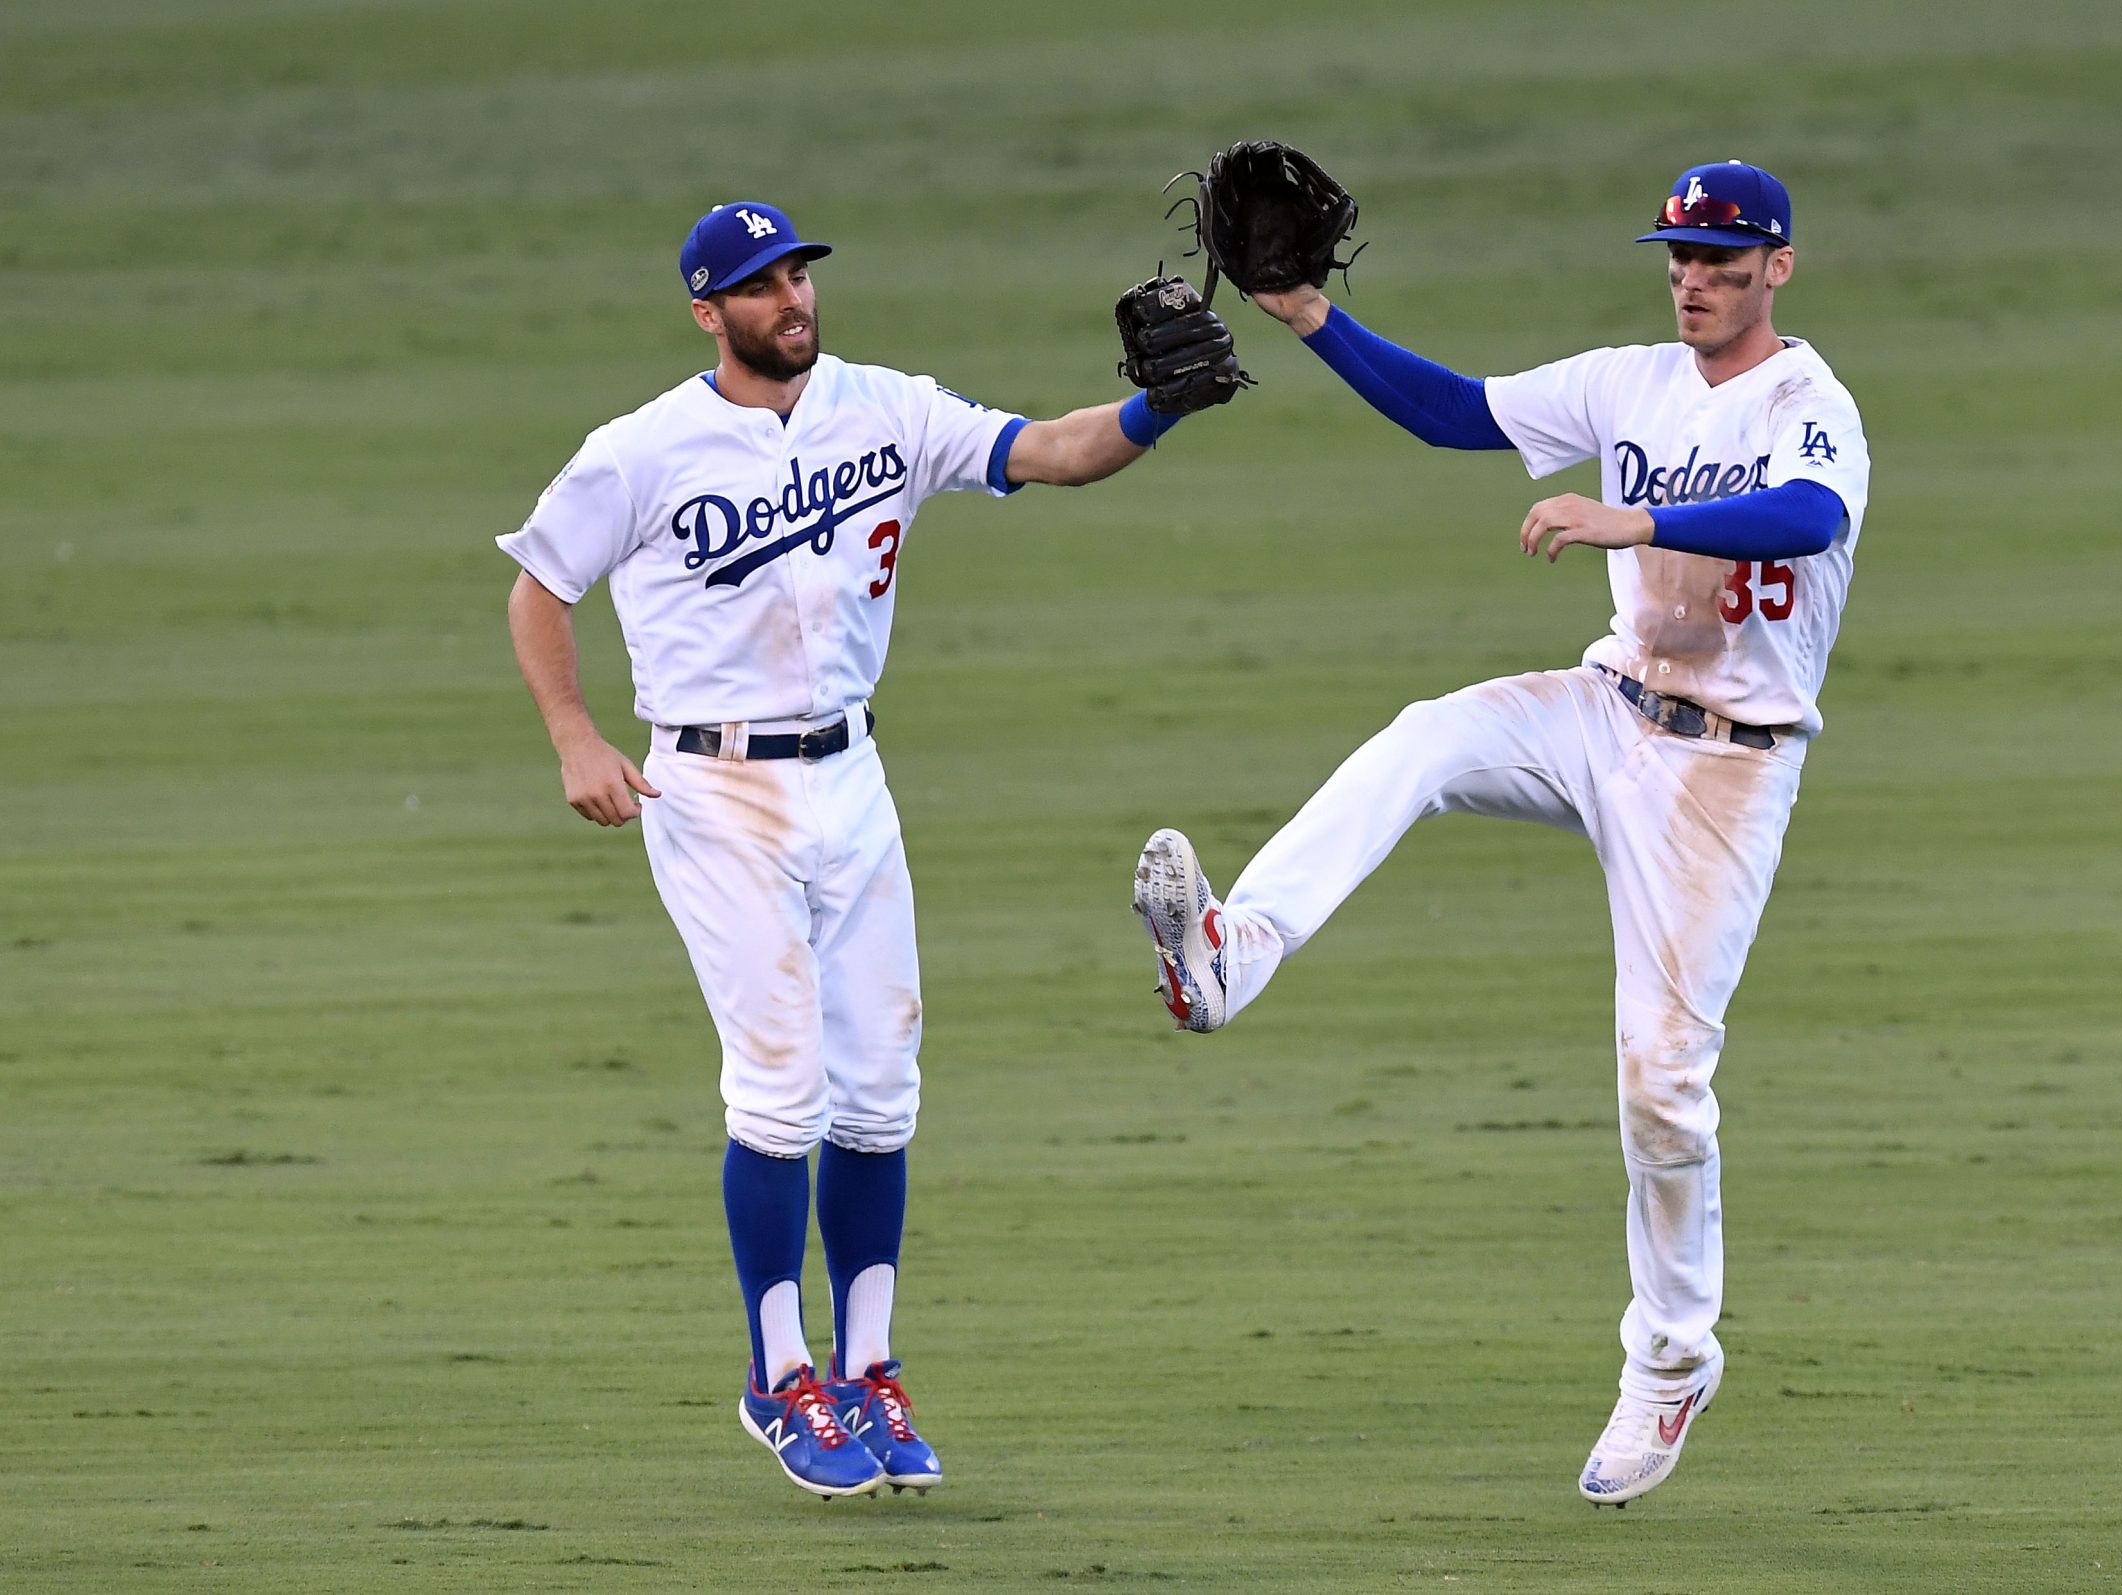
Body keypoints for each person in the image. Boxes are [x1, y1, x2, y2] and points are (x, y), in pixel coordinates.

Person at [1130, 160, 1870, 1505]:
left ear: (1779, 266)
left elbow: (1807, 517)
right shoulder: (1627, 381)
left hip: (1726, 774)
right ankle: (1234, 949)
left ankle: (1673, 1360)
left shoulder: (1807, 405)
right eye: (1678, 256)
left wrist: (1631, 515)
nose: (1693, 279)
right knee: (1424, 739)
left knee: (1662, 1084)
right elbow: (1453, 414)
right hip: (1604, 712)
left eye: (1721, 258)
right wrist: (1308, 318)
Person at [501, 201, 1238, 1499]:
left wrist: (1156, 412)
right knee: (782, 1090)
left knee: (881, 1091)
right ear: (707, 311)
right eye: (760, 284)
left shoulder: (883, 408)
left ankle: (871, 1371)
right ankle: (779, 1374)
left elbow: (1051, 451)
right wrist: (573, 736)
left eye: (797, 274)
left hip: (853, 778)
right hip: (712, 792)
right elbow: (539, 587)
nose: (791, 297)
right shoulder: (641, 451)